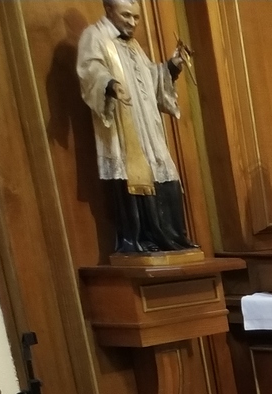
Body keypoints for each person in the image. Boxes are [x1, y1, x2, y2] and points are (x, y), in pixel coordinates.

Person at [76, 0, 198, 254]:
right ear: (109, 10)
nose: (132, 22)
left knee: (164, 174)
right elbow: (90, 70)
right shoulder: (95, 36)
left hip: (149, 128)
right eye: (126, 16)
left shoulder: (133, 46)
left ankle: (171, 237)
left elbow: (151, 79)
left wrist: (172, 66)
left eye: (136, 17)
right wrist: (110, 84)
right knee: (134, 175)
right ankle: (140, 239)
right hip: (124, 129)